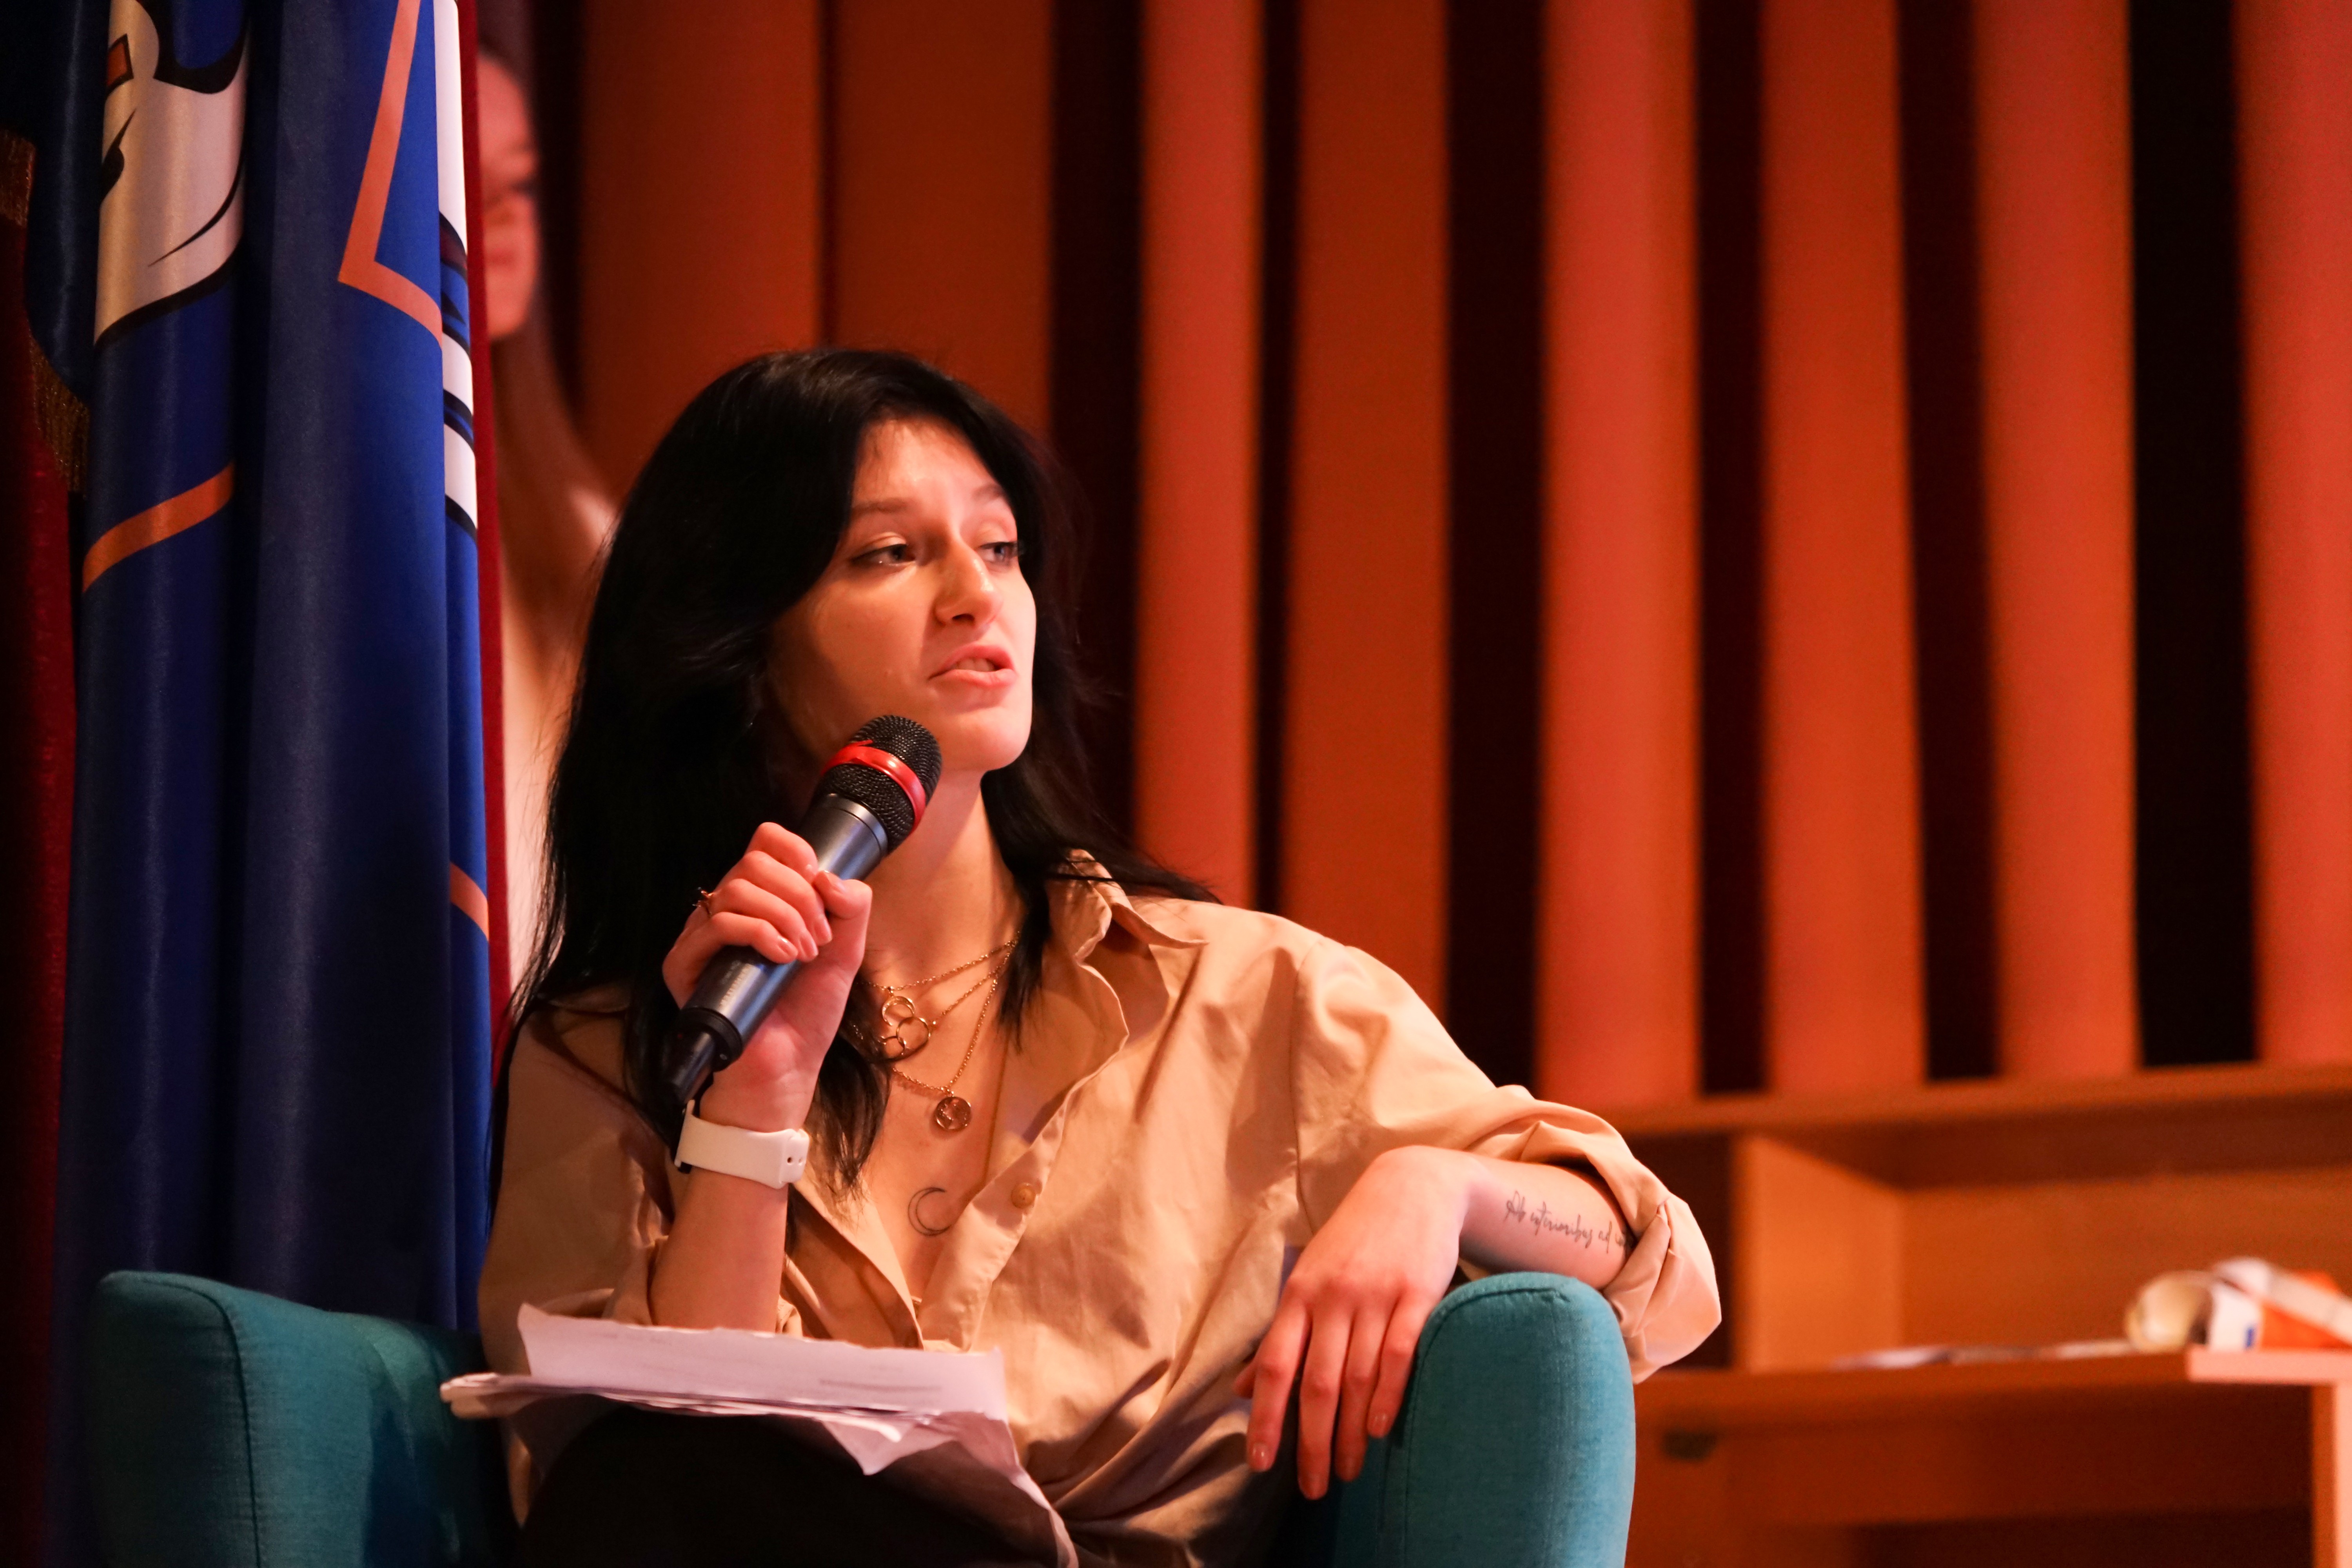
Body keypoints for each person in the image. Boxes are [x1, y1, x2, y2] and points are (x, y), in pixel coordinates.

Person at [481, 350, 1720, 1567]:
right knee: (658, 1469)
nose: (976, 596)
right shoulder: (616, 1049)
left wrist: (1436, 1188)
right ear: (743, 650)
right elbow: (630, 1492)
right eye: (891, 554)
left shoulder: (1239, 997)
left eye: (999, 547)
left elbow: (1653, 1259)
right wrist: (751, 1109)